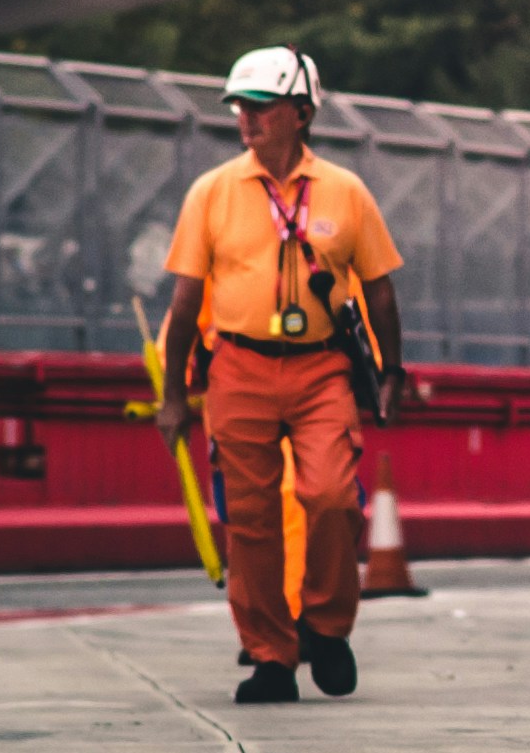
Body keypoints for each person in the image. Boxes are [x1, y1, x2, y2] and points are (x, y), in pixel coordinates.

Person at [153, 47, 405, 704]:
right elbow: (183, 305)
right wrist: (174, 395)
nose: (247, 120)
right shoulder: (212, 192)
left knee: (329, 496)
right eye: (241, 109)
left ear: (301, 112)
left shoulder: (346, 192)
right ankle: (270, 653)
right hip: (237, 365)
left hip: (322, 369)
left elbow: (379, 291)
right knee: (252, 518)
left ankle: (324, 625)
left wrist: (389, 372)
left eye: (260, 109)